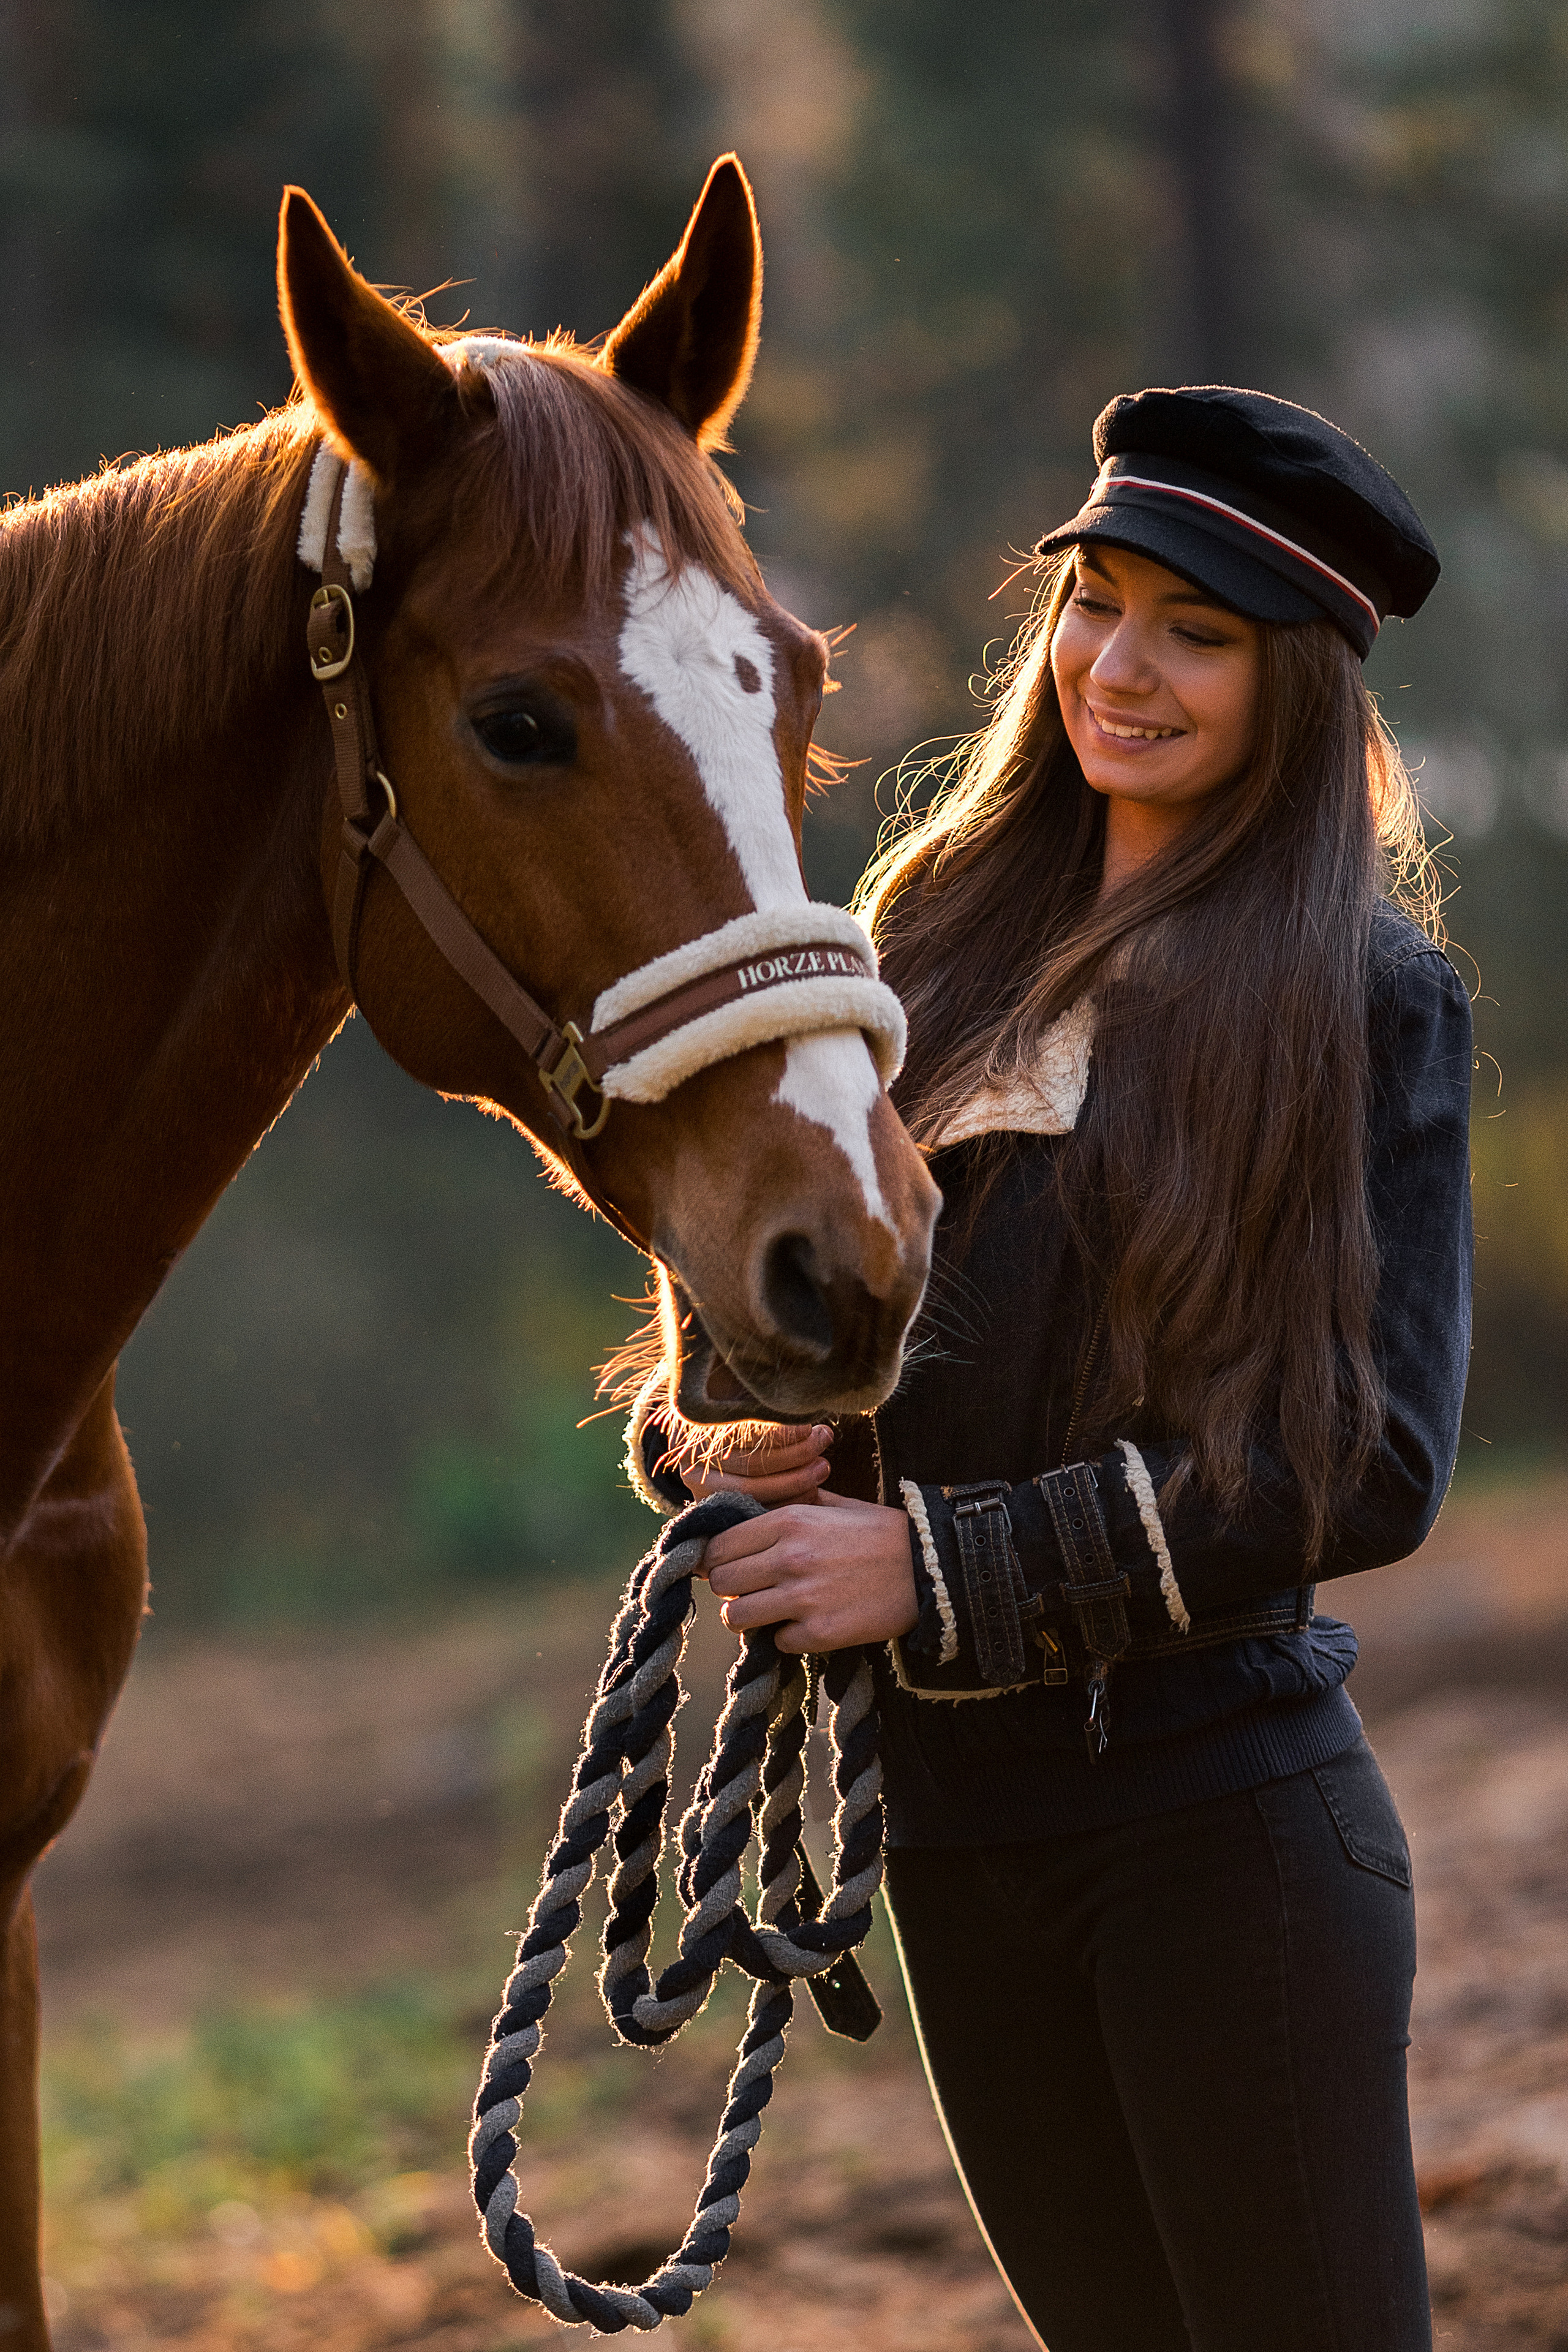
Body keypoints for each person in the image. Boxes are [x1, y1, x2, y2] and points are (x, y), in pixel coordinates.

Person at [627, 386, 1471, 2352]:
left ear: (1302, 685)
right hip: (960, 1844)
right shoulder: (924, 922)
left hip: (1226, 1838)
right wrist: (723, 1437)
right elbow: (802, 1307)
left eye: (1199, 632)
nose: (1122, 666)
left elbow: (1371, 1466)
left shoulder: (1364, 993)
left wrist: (937, 1571)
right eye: (1099, 602)